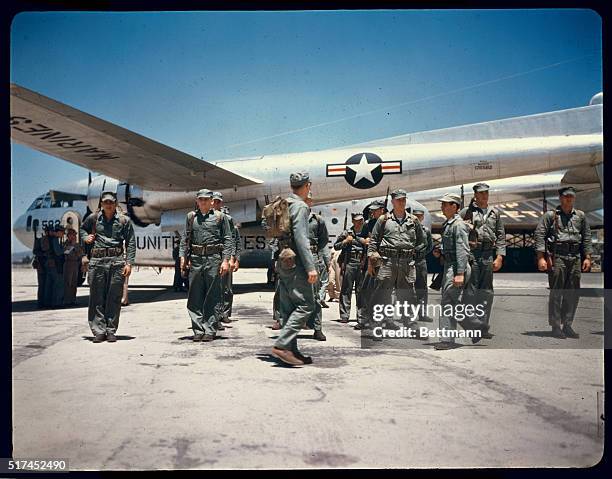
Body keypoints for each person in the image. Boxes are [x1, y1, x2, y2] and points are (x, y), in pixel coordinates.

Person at [270, 172, 318, 366]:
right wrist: (310, 268)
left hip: (283, 260)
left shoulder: (285, 204)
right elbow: (301, 238)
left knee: (289, 307)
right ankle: (282, 346)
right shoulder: (300, 206)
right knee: (307, 304)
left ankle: (292, 351)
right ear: (307, 185)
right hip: (296, 262)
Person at [367, 189, 427, 339]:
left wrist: (415, 254)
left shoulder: (413, 220)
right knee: (382, 295)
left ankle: (412, 325)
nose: (402, 202)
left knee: (407, 296)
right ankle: (377, 327)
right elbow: (374, 240)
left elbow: (422, 241)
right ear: (393, 202)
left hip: (406, 264)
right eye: (399, 200)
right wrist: (372, 256)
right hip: (387, 262)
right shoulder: (383, 220)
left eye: (404, 199)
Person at [534, 186, 592, 339]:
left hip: (575, 257)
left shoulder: (580, 216)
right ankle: (555, 326)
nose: (569, 199)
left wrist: (587, 257)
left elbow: (586, 237)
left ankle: (567, 324)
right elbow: (539, 235)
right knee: (557, 292)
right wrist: (541, 257)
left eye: (571, 196)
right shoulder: (550, 216)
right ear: (560, 198)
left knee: (573, 293)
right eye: (566, 196)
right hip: (558, 256)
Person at [80, 191, 136, 343]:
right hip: (97, 261)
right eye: (105, 202)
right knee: (96, 297)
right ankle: (99, 331)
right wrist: (86, 237)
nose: (108, 205)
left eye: (111, 202)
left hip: (116, 261)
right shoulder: (93, 219)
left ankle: (111, 330)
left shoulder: (124, 221)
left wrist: (129, 263)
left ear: (115, 204)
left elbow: (131, 242)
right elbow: (82, 229)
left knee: (114, 297)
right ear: (101, 204)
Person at [179, 189, 233, 342]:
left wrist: (225, 260)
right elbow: (185, 238)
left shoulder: (220, 217)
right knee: (195, 295)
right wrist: (183, 257)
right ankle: (197, 329)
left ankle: (209, 329)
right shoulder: (191, 217)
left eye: (206, 199)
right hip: (196, 259)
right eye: (200, 199)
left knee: (213, 295)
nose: (203, 202)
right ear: (197, 201)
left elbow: (228, 239)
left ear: (211, 201)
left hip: (213, 259)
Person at [459, 183, 506, 337]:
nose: (484, 195)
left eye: (486, 192)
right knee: (471, 291)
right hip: (473, 254)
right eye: (481, 193)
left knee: (486, 292)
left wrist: (499, 256)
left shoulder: (494, 213)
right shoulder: (466, 212)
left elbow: (500, 236)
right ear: (475, 195)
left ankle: (482, 325)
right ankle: (472, 325)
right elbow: (458, 232)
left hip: (488, 254)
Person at [434, 193, 471, 350]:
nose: (442, 207)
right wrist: (441, 252)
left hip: (456, 267)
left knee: (448, 303)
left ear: (454, 207)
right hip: (450, 266)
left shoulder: (458, 225)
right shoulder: (448, 224)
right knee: (451, 302)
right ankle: (475, 324)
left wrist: (460, 273)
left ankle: (447, 340)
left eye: (445, 204)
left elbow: (462, 250)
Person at [355, 199, 386, 330]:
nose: (372, 212)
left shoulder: (388, 223)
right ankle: (363, 319)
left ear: (382, 210)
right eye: (371, 210)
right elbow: (359, 236)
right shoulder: (368, 223)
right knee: (365, 290)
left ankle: (384, 320)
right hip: (370, 261)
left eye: (375, 210)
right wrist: (365, 241)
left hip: (384, 261)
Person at [305, 191, 329, 341]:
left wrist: (319, 258)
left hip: (313, 257)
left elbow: (323, 241)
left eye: (308, 200)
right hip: (296, 258)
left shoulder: (318, 220)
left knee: (315, 295)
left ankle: (317, 328)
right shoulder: (291, 219)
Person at [334, 212, 366, 324]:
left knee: (361, 291)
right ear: (353, 221)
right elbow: (336, 246)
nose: (360, 222)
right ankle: (344, 315)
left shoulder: (367, 233)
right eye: (357, 220)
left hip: (362, 263)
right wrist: (345, 241)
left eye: (361, 220)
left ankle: (361, 316)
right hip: (350, 263)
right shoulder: (347, 233)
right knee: (346, 290)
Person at [413, 208, 435, 322]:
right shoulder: (408, 230)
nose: (417, 218)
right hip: (409, 261)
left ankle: (422, 313)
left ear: (422, 218)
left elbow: (430, 246)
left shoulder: (426, 231)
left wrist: (421, 254)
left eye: (419, 216)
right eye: (415, 216)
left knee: (422, 288)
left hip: (421, 261)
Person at [43, 224, 65, 308]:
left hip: (48, 263)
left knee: (49, 284)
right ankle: (57, 303)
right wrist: (65, 249)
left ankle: (47, 303)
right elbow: (58, 252)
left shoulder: (49, 239)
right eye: (62, 232)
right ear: (58, 232)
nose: (63, 234)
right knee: (58, 283)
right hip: (55, 264)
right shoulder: (55, 239)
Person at [63, 228, 85, 306]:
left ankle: (73, 299)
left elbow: (81, 253)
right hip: (68, 264)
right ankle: (66, 300)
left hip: (75, 264)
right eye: (73, 235)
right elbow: (66, 252)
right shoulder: (66, 244)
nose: (74, 236)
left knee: (74, 283)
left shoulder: (77, 244)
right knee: (67, 283)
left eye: (75, 235)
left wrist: (75, 245)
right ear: (69, 236)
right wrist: (72, 245)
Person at [32, 225, 49, 308]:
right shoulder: (39, 240)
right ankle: (40, 302)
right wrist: (43, 254)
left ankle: (45, 302)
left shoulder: (48, 240)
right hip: (41, 264)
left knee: (46, 285)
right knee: (42, 285)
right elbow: (35, 251)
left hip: (47, 264)